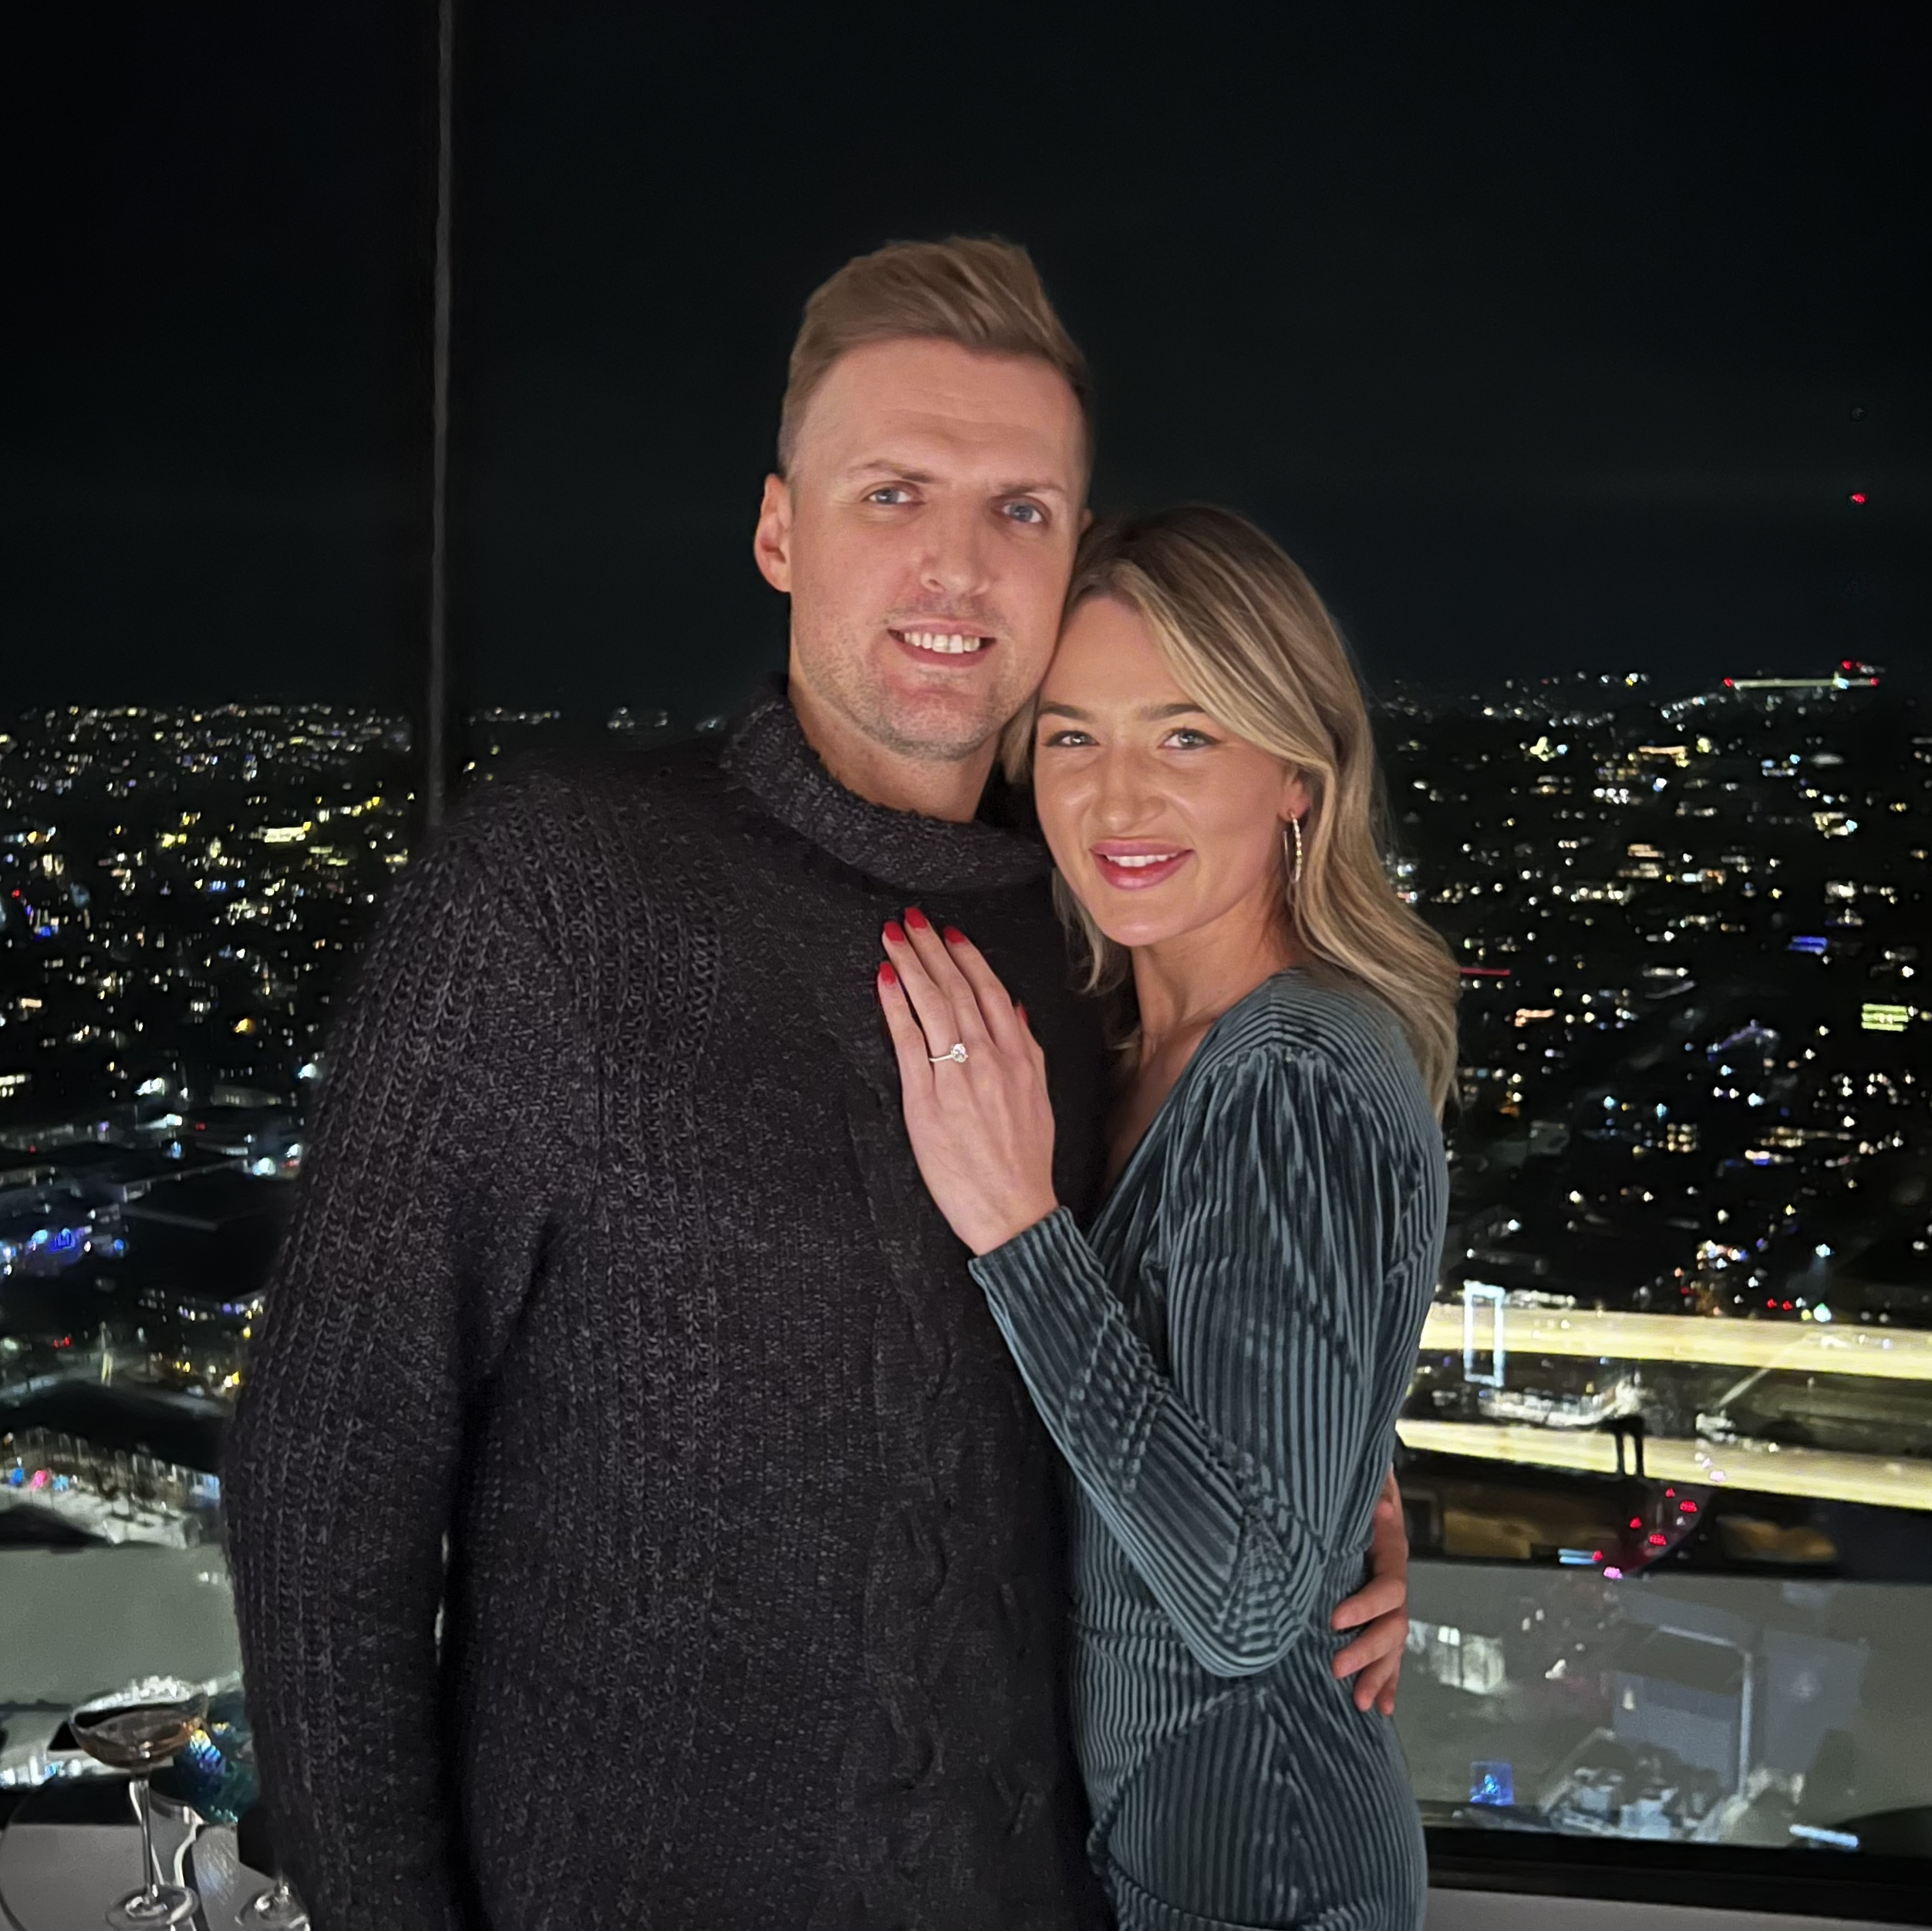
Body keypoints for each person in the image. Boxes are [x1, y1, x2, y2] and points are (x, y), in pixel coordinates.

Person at [224, 241, 1413, 1931]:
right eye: (892, 493)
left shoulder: (1098, 935)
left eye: (1019, 509)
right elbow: (327, 1470)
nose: (955, 562)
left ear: (1072, 554)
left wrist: (1342, 1481)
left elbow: (1227, 1304)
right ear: (781, 530)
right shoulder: (558, 892)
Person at [875, 505, 1456, 1930]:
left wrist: (1018, 1234)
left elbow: (1253, 1608)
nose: (1117, 800)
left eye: (1186, 736)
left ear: (1298, 779)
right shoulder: (1139, 1050)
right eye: (1072, 736)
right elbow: (1258, 1437)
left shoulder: (1291, 1077)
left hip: (1260, 1880)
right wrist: (1350, 1481)